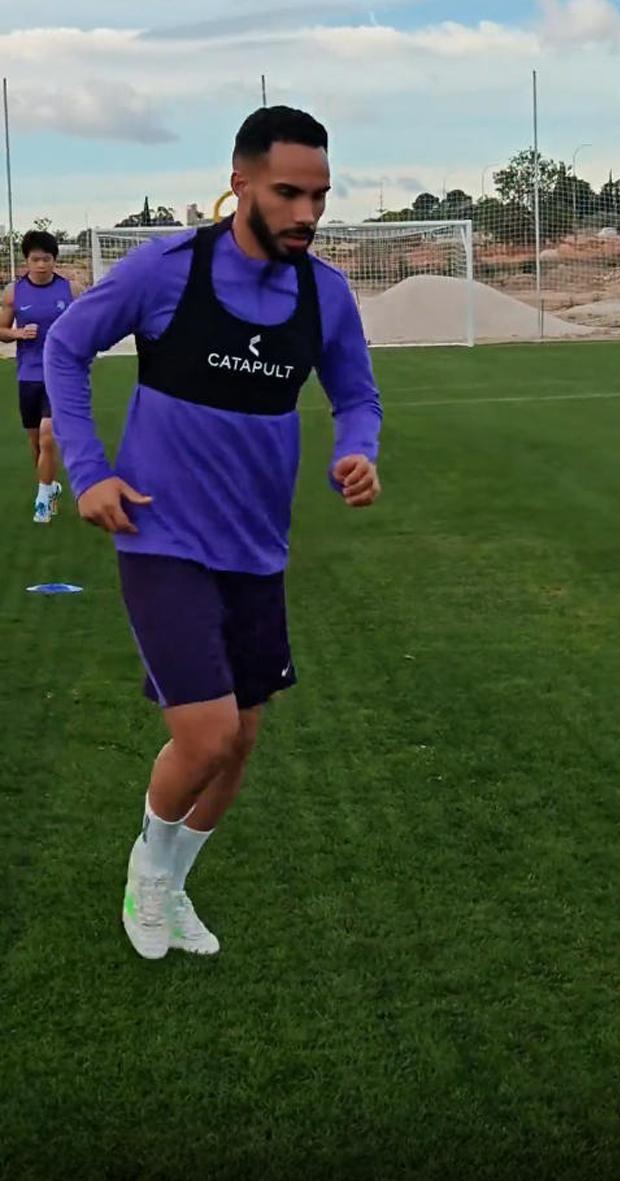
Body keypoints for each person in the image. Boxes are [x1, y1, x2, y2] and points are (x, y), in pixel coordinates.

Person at [44, 106, 383, 960]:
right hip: (161, 536)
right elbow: (66, 349)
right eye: (288, 193)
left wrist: (357, 452)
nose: (308, 212)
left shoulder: (325, 294)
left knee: (242, 744)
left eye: (319, 196)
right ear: (240, 184)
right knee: (208, 735)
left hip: (257, 548)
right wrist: (88, 471)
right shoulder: (167, 269)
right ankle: (147, 869)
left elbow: (356, 396)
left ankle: (170, 880)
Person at [0, 230, 81, 522]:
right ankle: (50, 486)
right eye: (36, 259)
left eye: (47, 259)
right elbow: (2, 330)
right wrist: (18, 333)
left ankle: (43, 501)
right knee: (36, 442)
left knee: (48, 435)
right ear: (27, 261)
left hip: (60, 374)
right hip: (28, 374)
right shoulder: (14, 292)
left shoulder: (72, 290)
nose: (42, 265)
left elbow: (86, 325)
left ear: (54, 260)